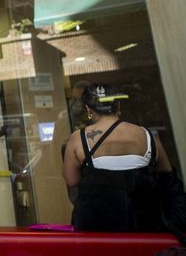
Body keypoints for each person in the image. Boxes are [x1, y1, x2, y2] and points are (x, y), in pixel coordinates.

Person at [62, 83, 174, 232]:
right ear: (118, 106)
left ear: (89, 110)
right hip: (145, 223)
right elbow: (167, 174)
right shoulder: (148, 136)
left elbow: (71, 180)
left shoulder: (79, 139)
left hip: (98, 225)